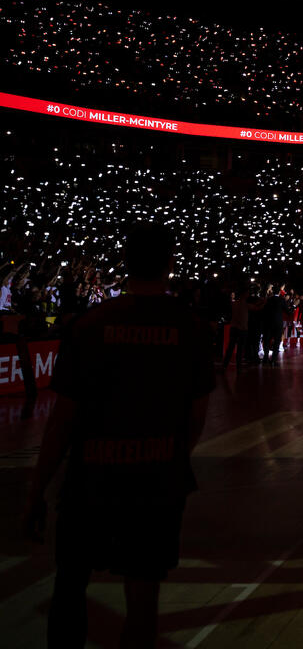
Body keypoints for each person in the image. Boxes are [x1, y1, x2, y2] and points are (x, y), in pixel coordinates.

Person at [22, 223, 213, 649]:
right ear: (169, 263)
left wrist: (36, 490)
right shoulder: (191, 327)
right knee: (143, 602)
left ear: (125, 262)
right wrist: (170, 456)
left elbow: (62, 420)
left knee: (69, 589)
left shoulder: (90, 324)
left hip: (90, 479)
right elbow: (196, 416)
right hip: (156, 482)